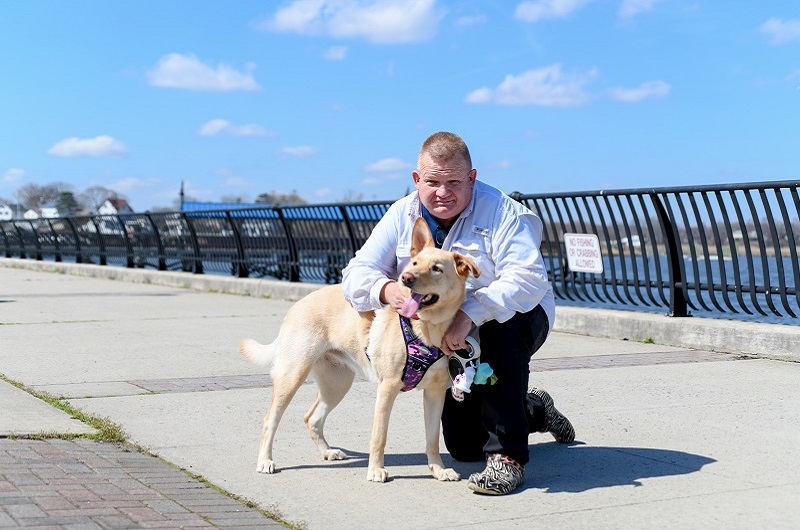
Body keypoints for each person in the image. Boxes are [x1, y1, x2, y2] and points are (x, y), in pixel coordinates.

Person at [341, 131, 574, 495]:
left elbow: (528, 280)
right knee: (465, 446)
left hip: (519, 317)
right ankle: (534, 410)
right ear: (417, 180)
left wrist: (470, 314)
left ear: (472, 178)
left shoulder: (503, 211)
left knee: (501, 328)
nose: (442, 192)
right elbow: (356, 274)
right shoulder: (401, 214)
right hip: (446, 334)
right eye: (432, 182)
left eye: (454, 182)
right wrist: (389, 291)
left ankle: (508, 459)